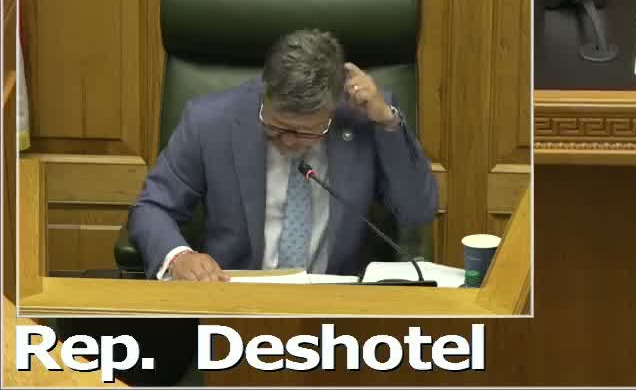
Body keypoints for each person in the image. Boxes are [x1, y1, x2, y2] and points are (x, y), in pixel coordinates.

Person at [127, 28, 439, 282]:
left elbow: (417, 210)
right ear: (265, 93)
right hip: (232, 296)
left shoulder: (363, 121)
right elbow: (153, 207)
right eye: (276, 127)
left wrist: (387, 122)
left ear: (334, 108)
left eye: (306, 132)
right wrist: (179, 257)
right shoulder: (209, 122)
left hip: (335, 302)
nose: (289, 141)